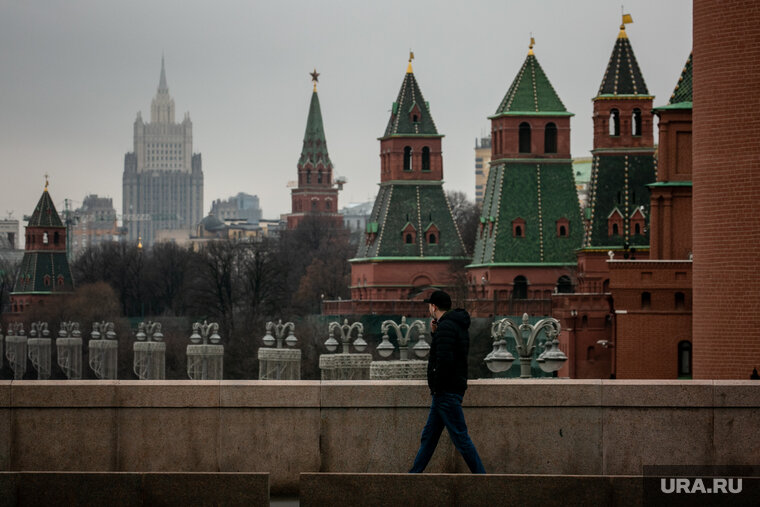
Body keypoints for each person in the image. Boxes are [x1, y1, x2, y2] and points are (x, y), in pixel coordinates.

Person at [409, 289, 486, 474]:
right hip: (447, 390)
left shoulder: (446, 327)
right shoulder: (456, 325)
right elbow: (451, 353)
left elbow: (444, 360)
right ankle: (413, 477)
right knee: (429, 437)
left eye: (429, 305)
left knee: (460, 437)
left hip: (446, 391)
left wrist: (437, 385)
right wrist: (436, 333)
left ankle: (484, 478)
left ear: (434, 307)